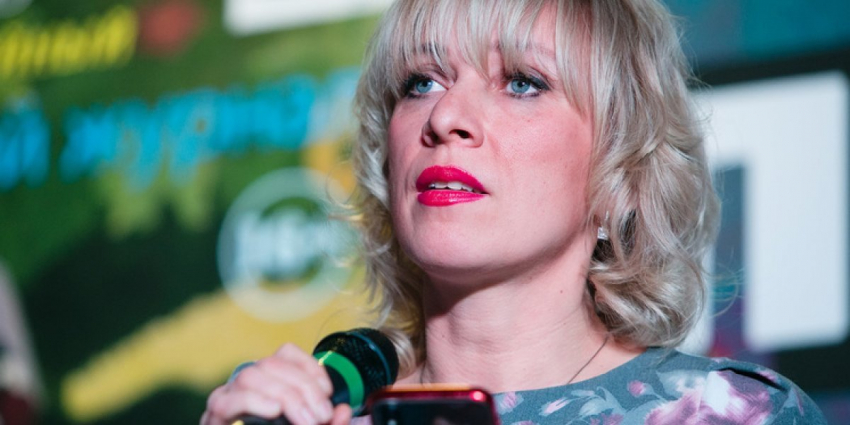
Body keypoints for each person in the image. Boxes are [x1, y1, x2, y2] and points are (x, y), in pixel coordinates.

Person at [202, 0, 828, 424]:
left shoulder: (730, 415)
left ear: (621, 173)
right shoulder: (310, 414)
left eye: (523, 82)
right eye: (421, 82)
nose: (445, 117)